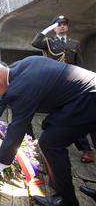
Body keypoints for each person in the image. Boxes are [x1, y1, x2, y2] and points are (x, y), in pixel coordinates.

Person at [0, 56, 96, 206]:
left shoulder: (22, 87)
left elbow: (16, 131)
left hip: (88, 98)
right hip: (89, 89)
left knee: (50, 143)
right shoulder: (20, 66)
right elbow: (6, 93)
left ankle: (67, 201)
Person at [32, 14, 94, 163]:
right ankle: (50, 146)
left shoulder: (74, 43)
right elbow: (35, 42)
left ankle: (86, 150)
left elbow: (79, 64)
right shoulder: (48, 42)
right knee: (54, 116)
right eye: (59, 24)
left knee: (75, 115)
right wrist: (48, 29)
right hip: (54, 84)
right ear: (54, 27)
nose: (62, 26)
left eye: (65, 23)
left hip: (73, 85)